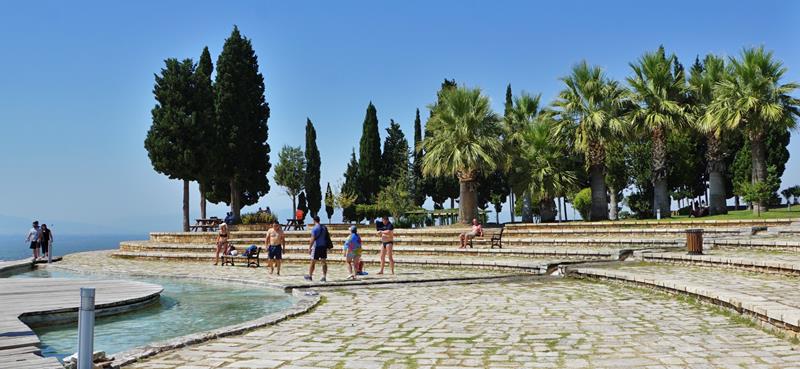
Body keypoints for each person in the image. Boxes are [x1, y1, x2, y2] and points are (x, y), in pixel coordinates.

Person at [305, 215, 328, 282]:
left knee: (313, 262)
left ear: (314, 220)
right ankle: (324, 276)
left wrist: (309, 247)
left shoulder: (315, 228)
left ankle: (310, 276)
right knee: (323, 262)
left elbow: (312, 239)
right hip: (323, 246)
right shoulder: (324, 227)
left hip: (317, 247)